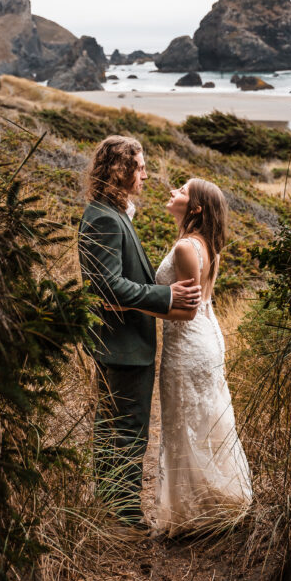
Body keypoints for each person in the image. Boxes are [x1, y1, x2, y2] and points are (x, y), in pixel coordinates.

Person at [77, 136, 202, 526]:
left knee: (116, 428)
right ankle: (125, 517)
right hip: (122, 345)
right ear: (121, 169)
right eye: (141, 166)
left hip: (123, 343)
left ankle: (112, 509)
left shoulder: (114, 214)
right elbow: (106, 286)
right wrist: (165, 296)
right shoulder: (102, 217)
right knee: (127, 431)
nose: (146, 174)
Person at [151, 178, 253, 536]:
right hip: (207, 337)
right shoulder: (206, 245)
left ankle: (199, 512)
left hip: (188, 342)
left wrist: (137, 304)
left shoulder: (185, 249)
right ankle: (211, 503)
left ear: (194, 208)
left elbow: (186, 311)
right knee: (202, 418)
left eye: (181, 189)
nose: (172, 192)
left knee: (184, 421)